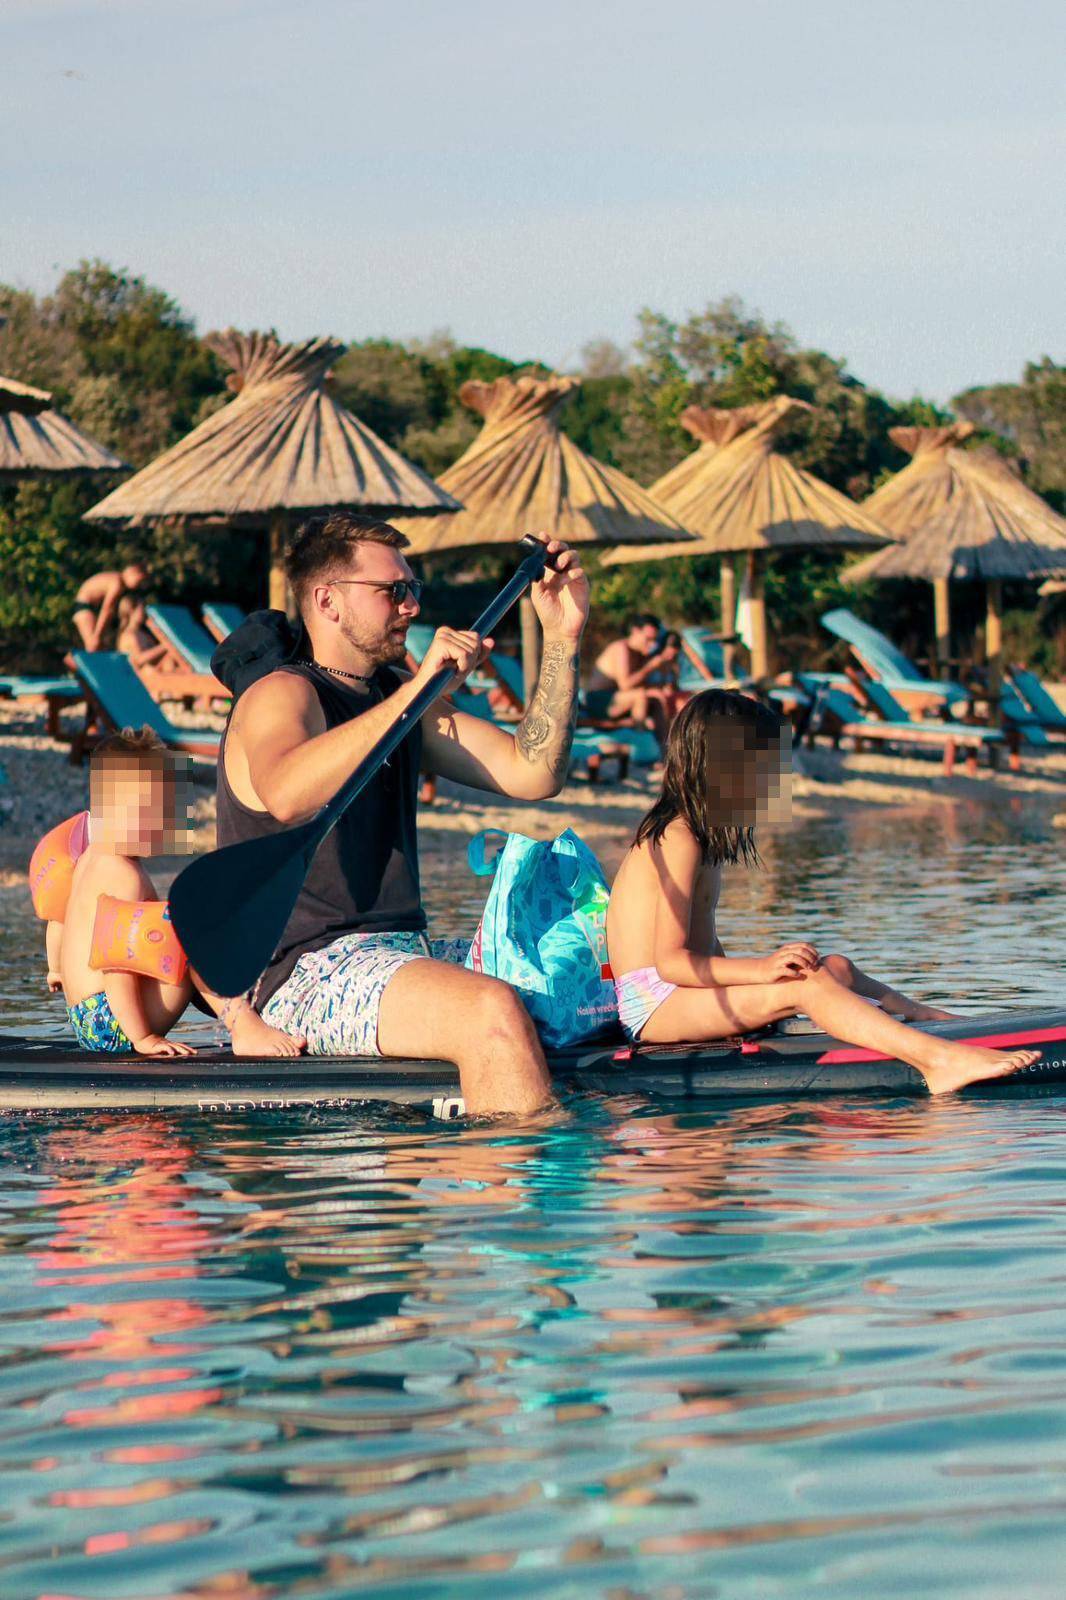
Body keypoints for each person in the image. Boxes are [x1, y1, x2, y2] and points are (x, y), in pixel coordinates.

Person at [213, 510, 590, 1118]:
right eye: (394, 591)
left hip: (400, 952)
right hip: (303, 976)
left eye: (413, 590)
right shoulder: (281, 694)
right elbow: (285, 790)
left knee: (583, 974)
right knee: (489, 1010)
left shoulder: (396, 697)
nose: (411, 606)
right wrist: (420, 691)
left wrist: (563, 638)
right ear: (328, 601)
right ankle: (524, 1196)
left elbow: (535, 772)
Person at [606, 688, 1040, 1095]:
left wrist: (758, 994)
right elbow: (671, 962)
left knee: (834, 968)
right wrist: (765, 973)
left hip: (685, 994)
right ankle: (938, 1061)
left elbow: (706, 945)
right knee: (803, 987)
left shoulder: (702, 837)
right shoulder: (678, 837)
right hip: (655, 1006)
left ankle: (932, 1021)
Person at [60, 726, 304, 1058]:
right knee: (188, 930)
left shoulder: (91, 857)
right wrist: (144, 1037)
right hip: (114, 1024)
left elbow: (57, 921)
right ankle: (242, 1024)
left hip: (86, 1019)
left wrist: (56, 970)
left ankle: (242, 1001)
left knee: (180, 929)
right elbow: (117, 969)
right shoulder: (123, 875)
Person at [586, 614, 681, 752]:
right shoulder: (621, 649)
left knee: (656, 699)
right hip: (601, 701)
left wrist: (661, 686)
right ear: (635, 632)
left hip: (620, 699)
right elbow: (626, 685)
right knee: (640, 696)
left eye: (654, 640)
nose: (651, 644)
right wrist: (651, 666)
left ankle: (665, 749)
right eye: (648, 639)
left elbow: (641, 683)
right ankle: (642, 749)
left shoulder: (640, 653)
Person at [72, 562, 149, 652]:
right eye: (139, 581)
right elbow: (107, 609)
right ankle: (71, 659)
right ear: (132, 573)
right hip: (85, 608)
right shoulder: (117, 583)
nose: (138, 586)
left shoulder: (115, 578)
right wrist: (97, 635)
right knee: (93, 645)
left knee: (99, 646)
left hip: (87, 607)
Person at [115, 594, 169, 671]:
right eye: (142, 607)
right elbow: (139, 660)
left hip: (153, 671)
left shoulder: (144, 634)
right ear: (131, 610)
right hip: (141, 676)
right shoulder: (128, 636)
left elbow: (157, 654)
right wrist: (165, 646)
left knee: (169, 660)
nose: (145, 610)